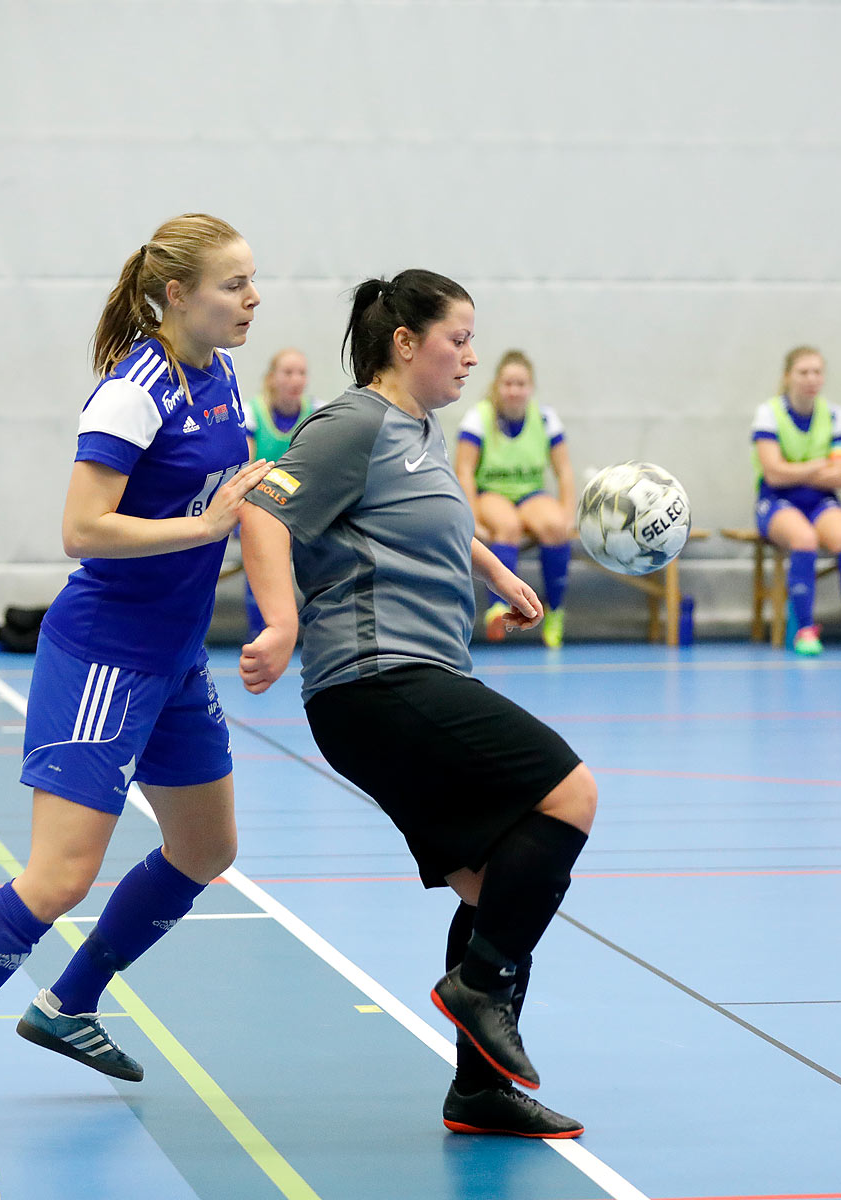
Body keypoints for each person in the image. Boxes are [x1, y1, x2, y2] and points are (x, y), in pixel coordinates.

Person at [0, 214, 271, 1140]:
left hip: (175, 655)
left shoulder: (216, 378)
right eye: (233, 284)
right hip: (105, 653)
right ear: (175, 294)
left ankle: (68, 1002)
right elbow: (83, 529)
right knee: (57, 879)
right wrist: (200, 529)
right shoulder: (132, 392)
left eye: (255, 281)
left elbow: (235, 492)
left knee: (206, 851)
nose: (252, 299)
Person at [239, 270, 595, 1140]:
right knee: (570, 793)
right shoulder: (354, 422)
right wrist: (282, 621)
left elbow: (423, 518)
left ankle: (479, 1089)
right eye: (458, 338)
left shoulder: (420, 432)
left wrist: (498, 571)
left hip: (416, 674)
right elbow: (263, 510)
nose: (471, 355)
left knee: (493, 880)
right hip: (375, 679)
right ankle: (481, 987)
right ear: (406, 344)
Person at [754, 346, 841, 656]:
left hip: (820, 501)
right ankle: (803, 629)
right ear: (788, 376)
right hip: (776, 501)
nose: (811, 379)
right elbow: (773, 474)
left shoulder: (834, 414)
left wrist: (794, 469)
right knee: (804, 539)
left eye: (817, 372)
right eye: (803, 372)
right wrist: (817, 466)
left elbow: (839, 476)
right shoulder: (769, 413)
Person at [456, 350, 578, 647]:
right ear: (498, 385)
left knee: (554, 527)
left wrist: (568, 513)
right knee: (506, 524)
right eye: (508, 384)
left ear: (531, 387)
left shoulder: (546, 418)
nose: (514, 390)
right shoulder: (479, 417)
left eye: (521, 384)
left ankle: (555, 610)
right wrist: (471, 517)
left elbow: (564, 470)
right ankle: (499, 606)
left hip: (529, 494)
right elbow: (464, 471)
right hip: (492, 494)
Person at [241, 348, 313, 636]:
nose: (295, 379)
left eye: (301, 373)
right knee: (258, 554)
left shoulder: (318, 413)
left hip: (304, 512)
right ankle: (260, 636)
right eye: (287, 372)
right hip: (262, 509)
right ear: (272, 378)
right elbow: (243, 472)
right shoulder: (251, 414)